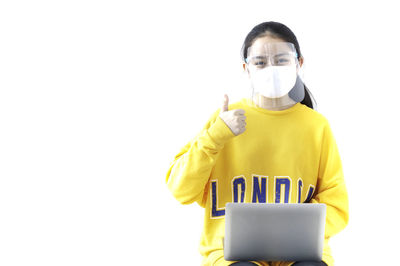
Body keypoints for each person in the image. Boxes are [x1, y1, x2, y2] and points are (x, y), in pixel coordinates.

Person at [165, 21, 349, 266]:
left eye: (281, 60)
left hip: (299, 252)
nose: (271, 68)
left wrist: (295, 229)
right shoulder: (226, 119)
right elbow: (181, 190)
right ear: (246, 68)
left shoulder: (317, 127)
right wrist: (215, 137)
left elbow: (336, 203)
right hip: (231, 254)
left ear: (299, 63)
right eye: (260, 62)